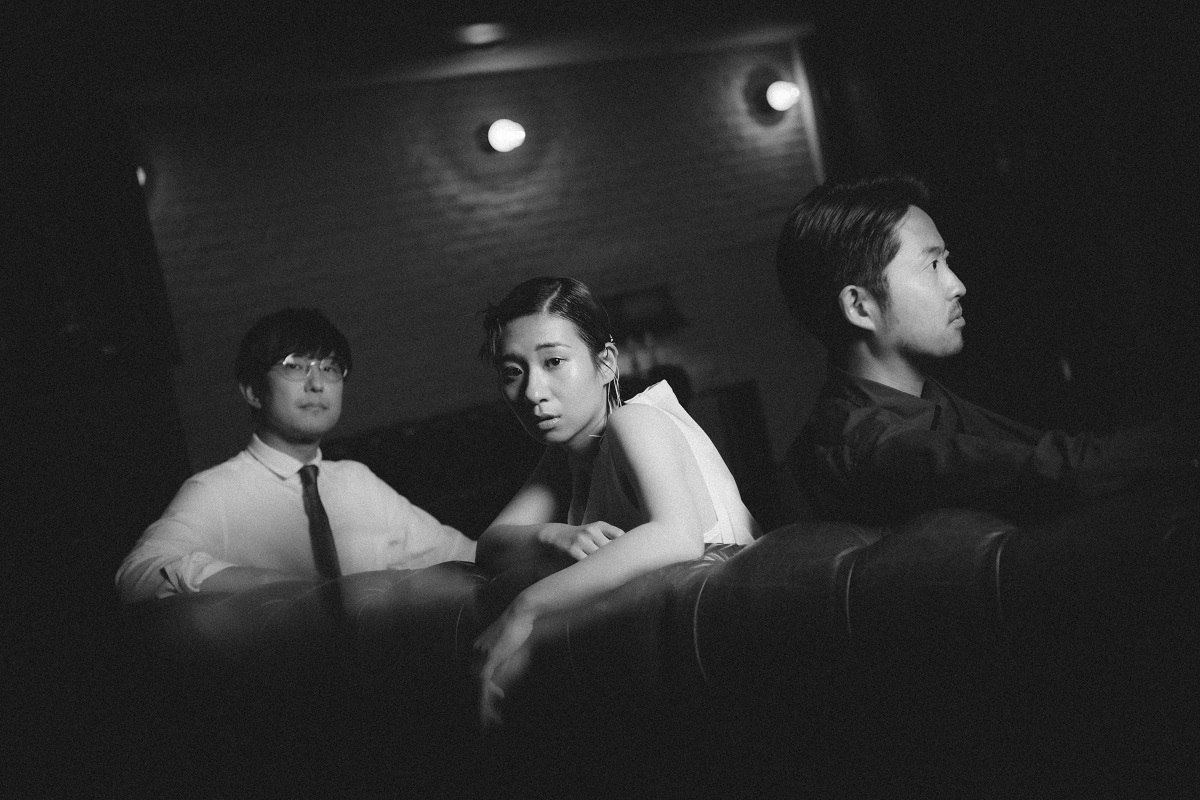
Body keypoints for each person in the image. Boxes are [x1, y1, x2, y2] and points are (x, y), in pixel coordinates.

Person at [776, 173, 1197, 524]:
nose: (957, 285)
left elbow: (1059, 455)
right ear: (859, 306)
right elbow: (1060, 473)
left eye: (947, 261)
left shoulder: (929, 401)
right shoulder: (866, 444)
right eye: (932, 265)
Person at [473, 276, 759, 726]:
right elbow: (489, 547)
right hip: (676, 665)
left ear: (606, 363)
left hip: (742, 647)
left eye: (553, 361)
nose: (532, 392)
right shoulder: (564, 459)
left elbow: (676, 536)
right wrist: (554, 535)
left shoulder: (634, 421)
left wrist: (524, 608)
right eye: (513, 372)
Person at [116, 307, 476, 603]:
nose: (317, 384)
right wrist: (270, 585)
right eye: (295, 365)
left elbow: (460, 554)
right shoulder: (216, 491)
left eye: (330, 368)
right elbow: (137, 575)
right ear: (253, 392)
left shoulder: (357, 481)